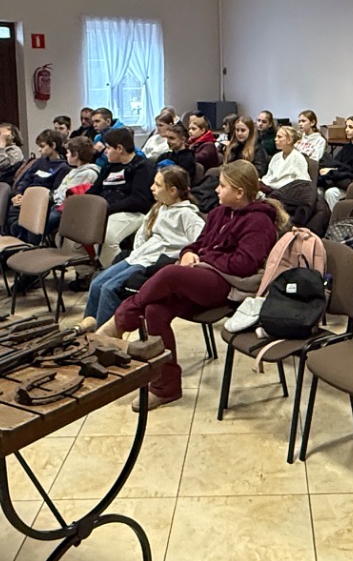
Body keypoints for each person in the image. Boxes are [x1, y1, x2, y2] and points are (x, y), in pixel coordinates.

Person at [97, 160, 285, 406]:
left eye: (222, 186)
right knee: (154, 311)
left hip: (230, 286)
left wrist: (204, 258)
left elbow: (243, 264)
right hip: (204, 278)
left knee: (170, 274)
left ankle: (119, 321)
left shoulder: (259, 221)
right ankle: (166, 387)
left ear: (239, 192)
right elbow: (197, 244)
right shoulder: (219, 213)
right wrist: (188, 254)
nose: (216, 190)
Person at [80, 164, 205, 331]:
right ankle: (86, 332)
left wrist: (181, 256)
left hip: (153, 262)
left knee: (109, 289)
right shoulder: (159, 208)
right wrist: (139, 250)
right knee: (96, 284)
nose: (152, 188)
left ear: (173, 191)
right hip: (139, 256)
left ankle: (104, 337)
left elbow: (199, 242)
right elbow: (142, 234)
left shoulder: (188, 215)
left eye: (158, 185)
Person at [95, 127, 156, 253]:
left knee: (108, 237)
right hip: (106, 210)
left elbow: (138, 200)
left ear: (119, 149)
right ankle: (88, 265)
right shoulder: (108, 166)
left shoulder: (142, 167)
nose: (105, 151)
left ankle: (115, 266)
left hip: (132, 212)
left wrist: (107, 209)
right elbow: (95, 190)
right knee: (78, 229)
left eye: (108, 148)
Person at [8, 130, 70, 227]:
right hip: (27, 198)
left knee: (17, 219)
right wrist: (19, 193)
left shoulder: (63, 167)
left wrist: (29, 199)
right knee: (11, 209)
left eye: (42, 146)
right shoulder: (39, 162)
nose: (39, 150)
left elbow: (54, 192)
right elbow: (26, 179)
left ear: (53, 146)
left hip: (40, 203)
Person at [318, 115, 353, 206]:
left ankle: (336, 215)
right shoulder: (347, 147)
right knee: (319, 189)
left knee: (331, 193)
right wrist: (333, 169)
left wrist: (333, 170)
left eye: (350, 127)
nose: (346, 130)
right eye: (346, 127)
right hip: (341, 179)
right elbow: (335, 163)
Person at [262, 123, 312, 190]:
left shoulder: (298, 158)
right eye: (276, 136)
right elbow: (268, 176)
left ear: (289, 140)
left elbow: (302, 181)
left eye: (279, 137)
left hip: (288, 191)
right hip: (271, 189)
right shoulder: (276, 157)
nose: (275, 139)